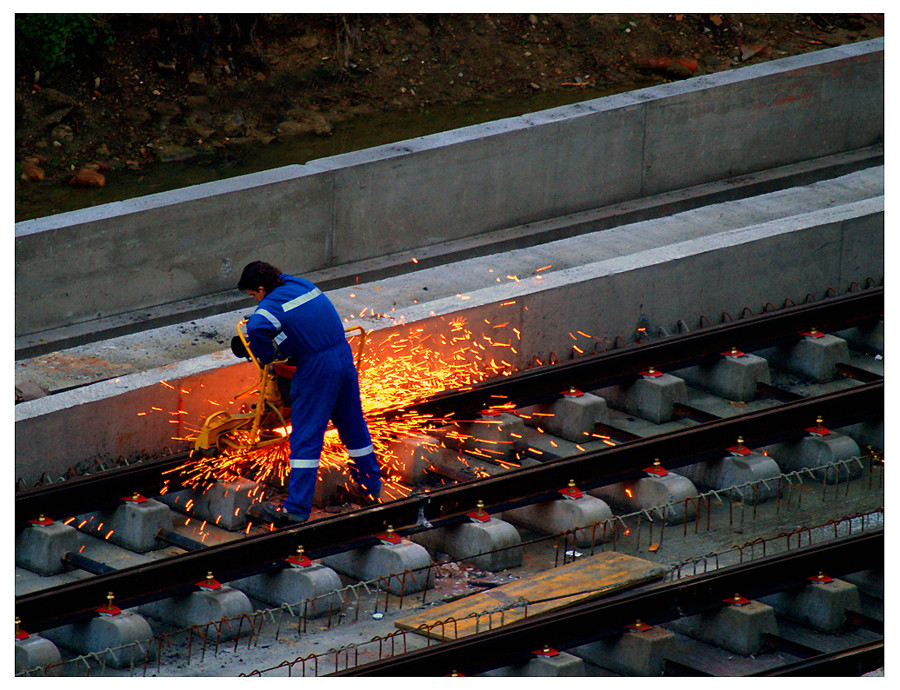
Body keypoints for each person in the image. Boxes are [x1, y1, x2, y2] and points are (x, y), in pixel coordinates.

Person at [236, 260, 381, 523]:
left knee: (305, 436)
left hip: (316, 368)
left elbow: (257, 327)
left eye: (253, 295)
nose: (254, 299)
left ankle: (296, 509)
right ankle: (370, 488)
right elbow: (298, 323)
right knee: (353, 426)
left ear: (260, 288)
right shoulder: (300, 284)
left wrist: (267, 354)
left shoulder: (270, 306)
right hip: (342, 355)